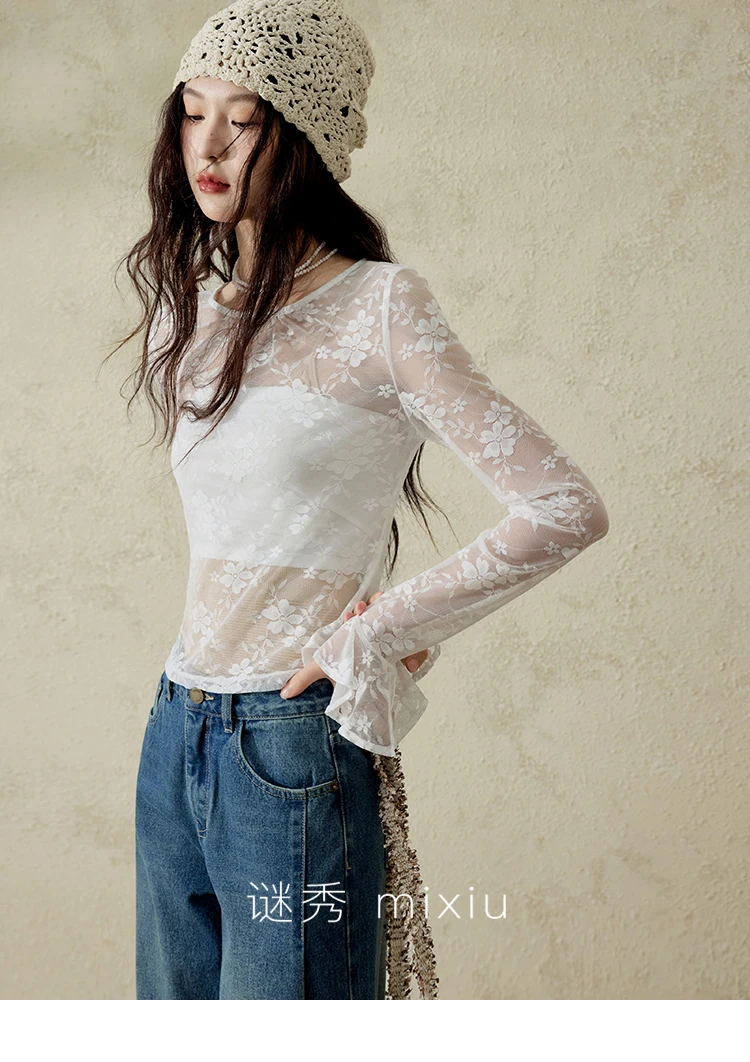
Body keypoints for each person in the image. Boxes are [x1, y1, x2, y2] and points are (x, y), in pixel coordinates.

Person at [111, 0, 610, 1000]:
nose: (207, 145)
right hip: (175, 726)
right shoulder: (192, 307)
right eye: (192, 111)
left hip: (288, 748)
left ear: (306, 139)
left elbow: (565, 505)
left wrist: (382, 628)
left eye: (244, 119)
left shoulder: (382, 306)